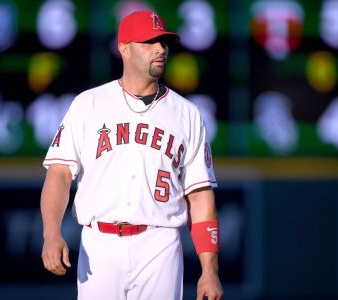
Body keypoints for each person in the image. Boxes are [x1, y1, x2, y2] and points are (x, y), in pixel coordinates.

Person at [40, 10, 223, 300]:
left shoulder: (187, 114)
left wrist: (209, 271)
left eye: (163, 42)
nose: (160, 49)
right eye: (149, 42)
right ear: (124, 49)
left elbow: (200, 196)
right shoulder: (88, 104)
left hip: (160, 243)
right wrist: (51, 233)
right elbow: (59, 174)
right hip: (99, 244)